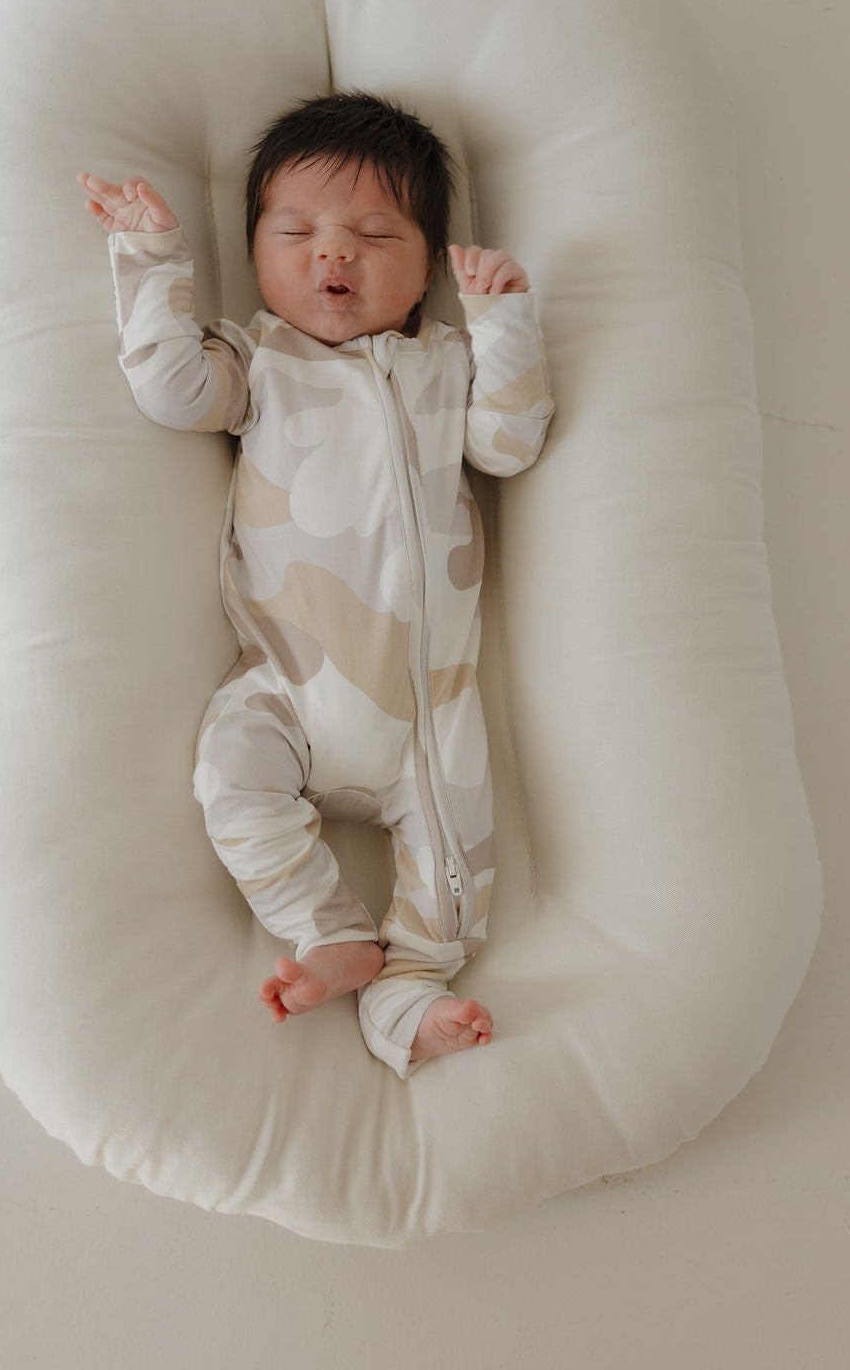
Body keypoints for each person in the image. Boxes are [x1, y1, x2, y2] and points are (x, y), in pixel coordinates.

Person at [78, 90, 554, 1078]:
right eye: (296, 232)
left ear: (428, 263)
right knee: (228, 776)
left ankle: (410, 993)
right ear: (255, 248)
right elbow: (169, 389)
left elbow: (509, 446)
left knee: (457, 863)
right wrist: (154, 259)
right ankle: (324, 928)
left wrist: (503, 323)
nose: (333, 253)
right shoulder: (259, 357)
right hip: (287, 687)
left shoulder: (443, 363)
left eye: (374, 235)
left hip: (427, 709)